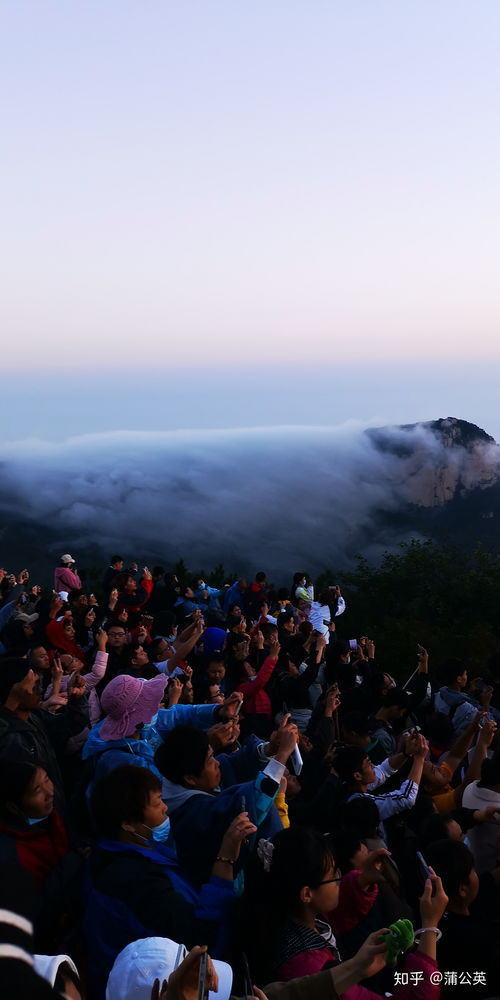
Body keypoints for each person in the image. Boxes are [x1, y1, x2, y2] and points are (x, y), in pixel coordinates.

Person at [85, 764, 255, 997]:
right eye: (157, 804)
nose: (165, 808)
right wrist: (224, 860)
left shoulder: (140, 852)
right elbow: (200, 939)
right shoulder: (132, 880)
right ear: (128, 824)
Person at [244, 825, 446, 998]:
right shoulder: (310, 972)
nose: (340, 880)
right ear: (307, 894)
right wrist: (429, 925)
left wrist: (363, 879)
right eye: (334, 874)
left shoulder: (290, 916)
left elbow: (341, 904)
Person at [155, 721, 297, 888]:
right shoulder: (191, 814)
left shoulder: (182, 781)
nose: (217, 763)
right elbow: (252, 800)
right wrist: (282, 755)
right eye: (210, 760)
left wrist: (270, 749)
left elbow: (232, 763)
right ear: (190, 778)